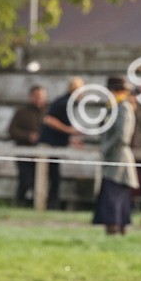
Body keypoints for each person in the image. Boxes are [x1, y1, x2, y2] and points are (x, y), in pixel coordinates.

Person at [92, 76, 138, 235]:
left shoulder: (123, 107)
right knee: (112, 193)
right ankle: (114, 227)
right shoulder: (112, 107)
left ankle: (115, 227)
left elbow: (122, 135)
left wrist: (105, 148)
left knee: (114, 194)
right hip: (112, 157)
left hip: (117, 158)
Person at [37, 77, 84, 210]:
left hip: (55, 143)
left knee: (54, 176)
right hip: (50, 144)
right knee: (52, 176)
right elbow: (49, 120)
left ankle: (51, 202)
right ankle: (50, 204)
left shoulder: (66, 102)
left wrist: (71, 138)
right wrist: (69, 131)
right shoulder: (65, 103)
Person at [7, 85, 47, 206]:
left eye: (41, 96)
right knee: (25, 178)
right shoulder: (22, 112)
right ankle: (20, 202)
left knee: (40, 180)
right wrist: (28, 136)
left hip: (42, 153)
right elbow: (12, 130)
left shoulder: (48, 113)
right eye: (36, 96)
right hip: (24, 151)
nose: (39, 99)